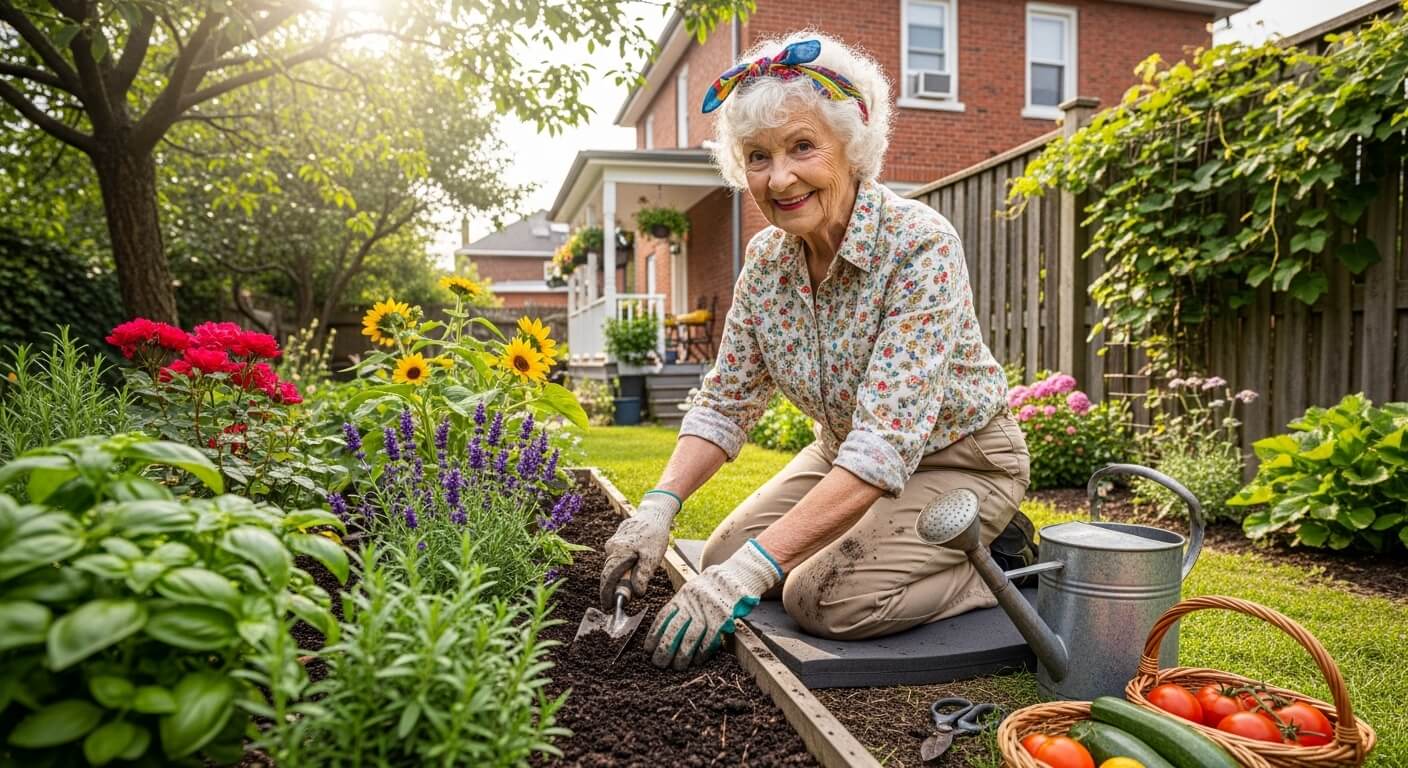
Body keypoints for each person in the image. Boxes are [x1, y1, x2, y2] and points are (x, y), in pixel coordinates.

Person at [599, 33, 1033, 672]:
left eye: (803, 147)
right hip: (841, 454)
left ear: (850, 149)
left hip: (960, 461)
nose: (780, 178)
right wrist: (658, 507)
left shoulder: (919, 247)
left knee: (823, 600)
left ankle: (995, 567)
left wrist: (759, 567)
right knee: (719, 561)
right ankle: (901, 542)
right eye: (756, 157)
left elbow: (885, 443)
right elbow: (726, 404)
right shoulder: (766, 263)